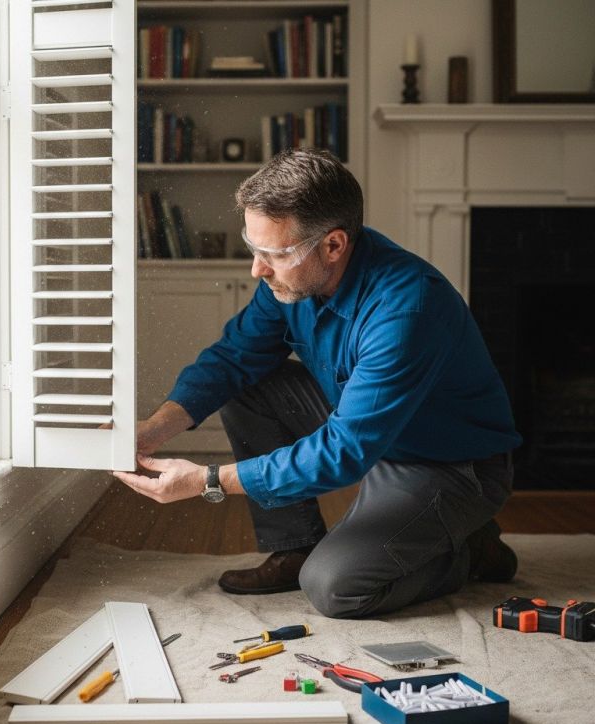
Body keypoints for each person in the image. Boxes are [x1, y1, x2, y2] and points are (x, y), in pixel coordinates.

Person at [114, 148, 522, 619]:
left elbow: (345, 451)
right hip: (370, 431)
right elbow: (232, 359)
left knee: (335, 587)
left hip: (448, 464)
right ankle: (296, 547)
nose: (257, 269)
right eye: (254, 248)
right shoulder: (292, 278)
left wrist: (209, 480)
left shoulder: (406, 309)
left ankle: (469, 550)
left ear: (333, 245)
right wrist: (154, 428)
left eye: (275, 254)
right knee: (246, 384)